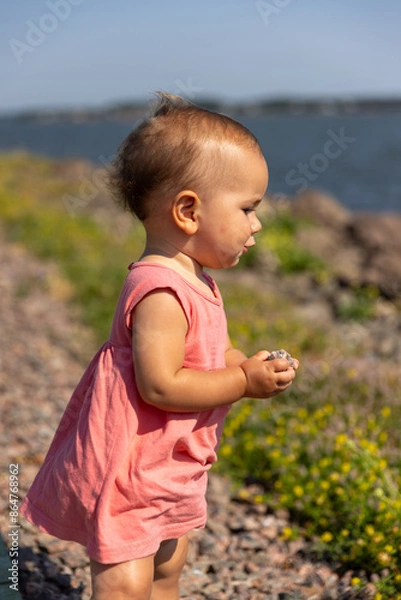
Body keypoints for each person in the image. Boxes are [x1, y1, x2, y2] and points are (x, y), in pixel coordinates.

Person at [20, 93, 299, 600]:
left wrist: (248, 365)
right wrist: (240, 383)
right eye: (248, 209)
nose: (257, 223)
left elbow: (219, 353)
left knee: (168, 568)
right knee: (126, 580)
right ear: (188, 211)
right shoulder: (161, 290)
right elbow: (161, 383)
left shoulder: (200, 281)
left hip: (172, 463)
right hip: (133, 463)